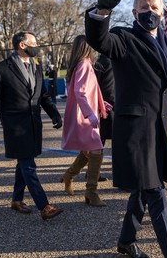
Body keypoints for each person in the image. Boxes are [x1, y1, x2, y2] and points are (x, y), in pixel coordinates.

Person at [85, 0, 167, 258]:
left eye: (154, 8)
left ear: (163, 12)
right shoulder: (124, 38)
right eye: (143, 8)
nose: (149, 12)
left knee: (141, 192)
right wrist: (102, 11)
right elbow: (100, 40)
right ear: (134, 12)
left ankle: (126, 242)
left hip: (160, 129)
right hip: (136, 132)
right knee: (156, 193)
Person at [0, 31, 64, 220]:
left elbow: (42, 95)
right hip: (15, 127)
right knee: (29, 165)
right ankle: (44, 206)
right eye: (34, 43)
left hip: (33, 124)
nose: (36, 45)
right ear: (22, 45)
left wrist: (54, 114)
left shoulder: (36, 68)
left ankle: (16, 199)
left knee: (23, 163)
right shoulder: (1, 69)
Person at [60, 35, 108, 206]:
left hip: (83, 113)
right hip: (84, 116)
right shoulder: (85, 65)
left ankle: (69, 176)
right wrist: (91, 114)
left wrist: (102, 104)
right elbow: (80, 92)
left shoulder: (81, 64)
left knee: (90, 150)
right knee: (96, 149)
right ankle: (91, 191)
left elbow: (89, 91)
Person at [93, 53, 114, 182]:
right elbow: (109, 89)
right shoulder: (109, 62)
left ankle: (93, 173)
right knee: (117, 144)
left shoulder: (100, 60)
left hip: (100, 106)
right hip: (109, 108)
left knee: (97, 143)